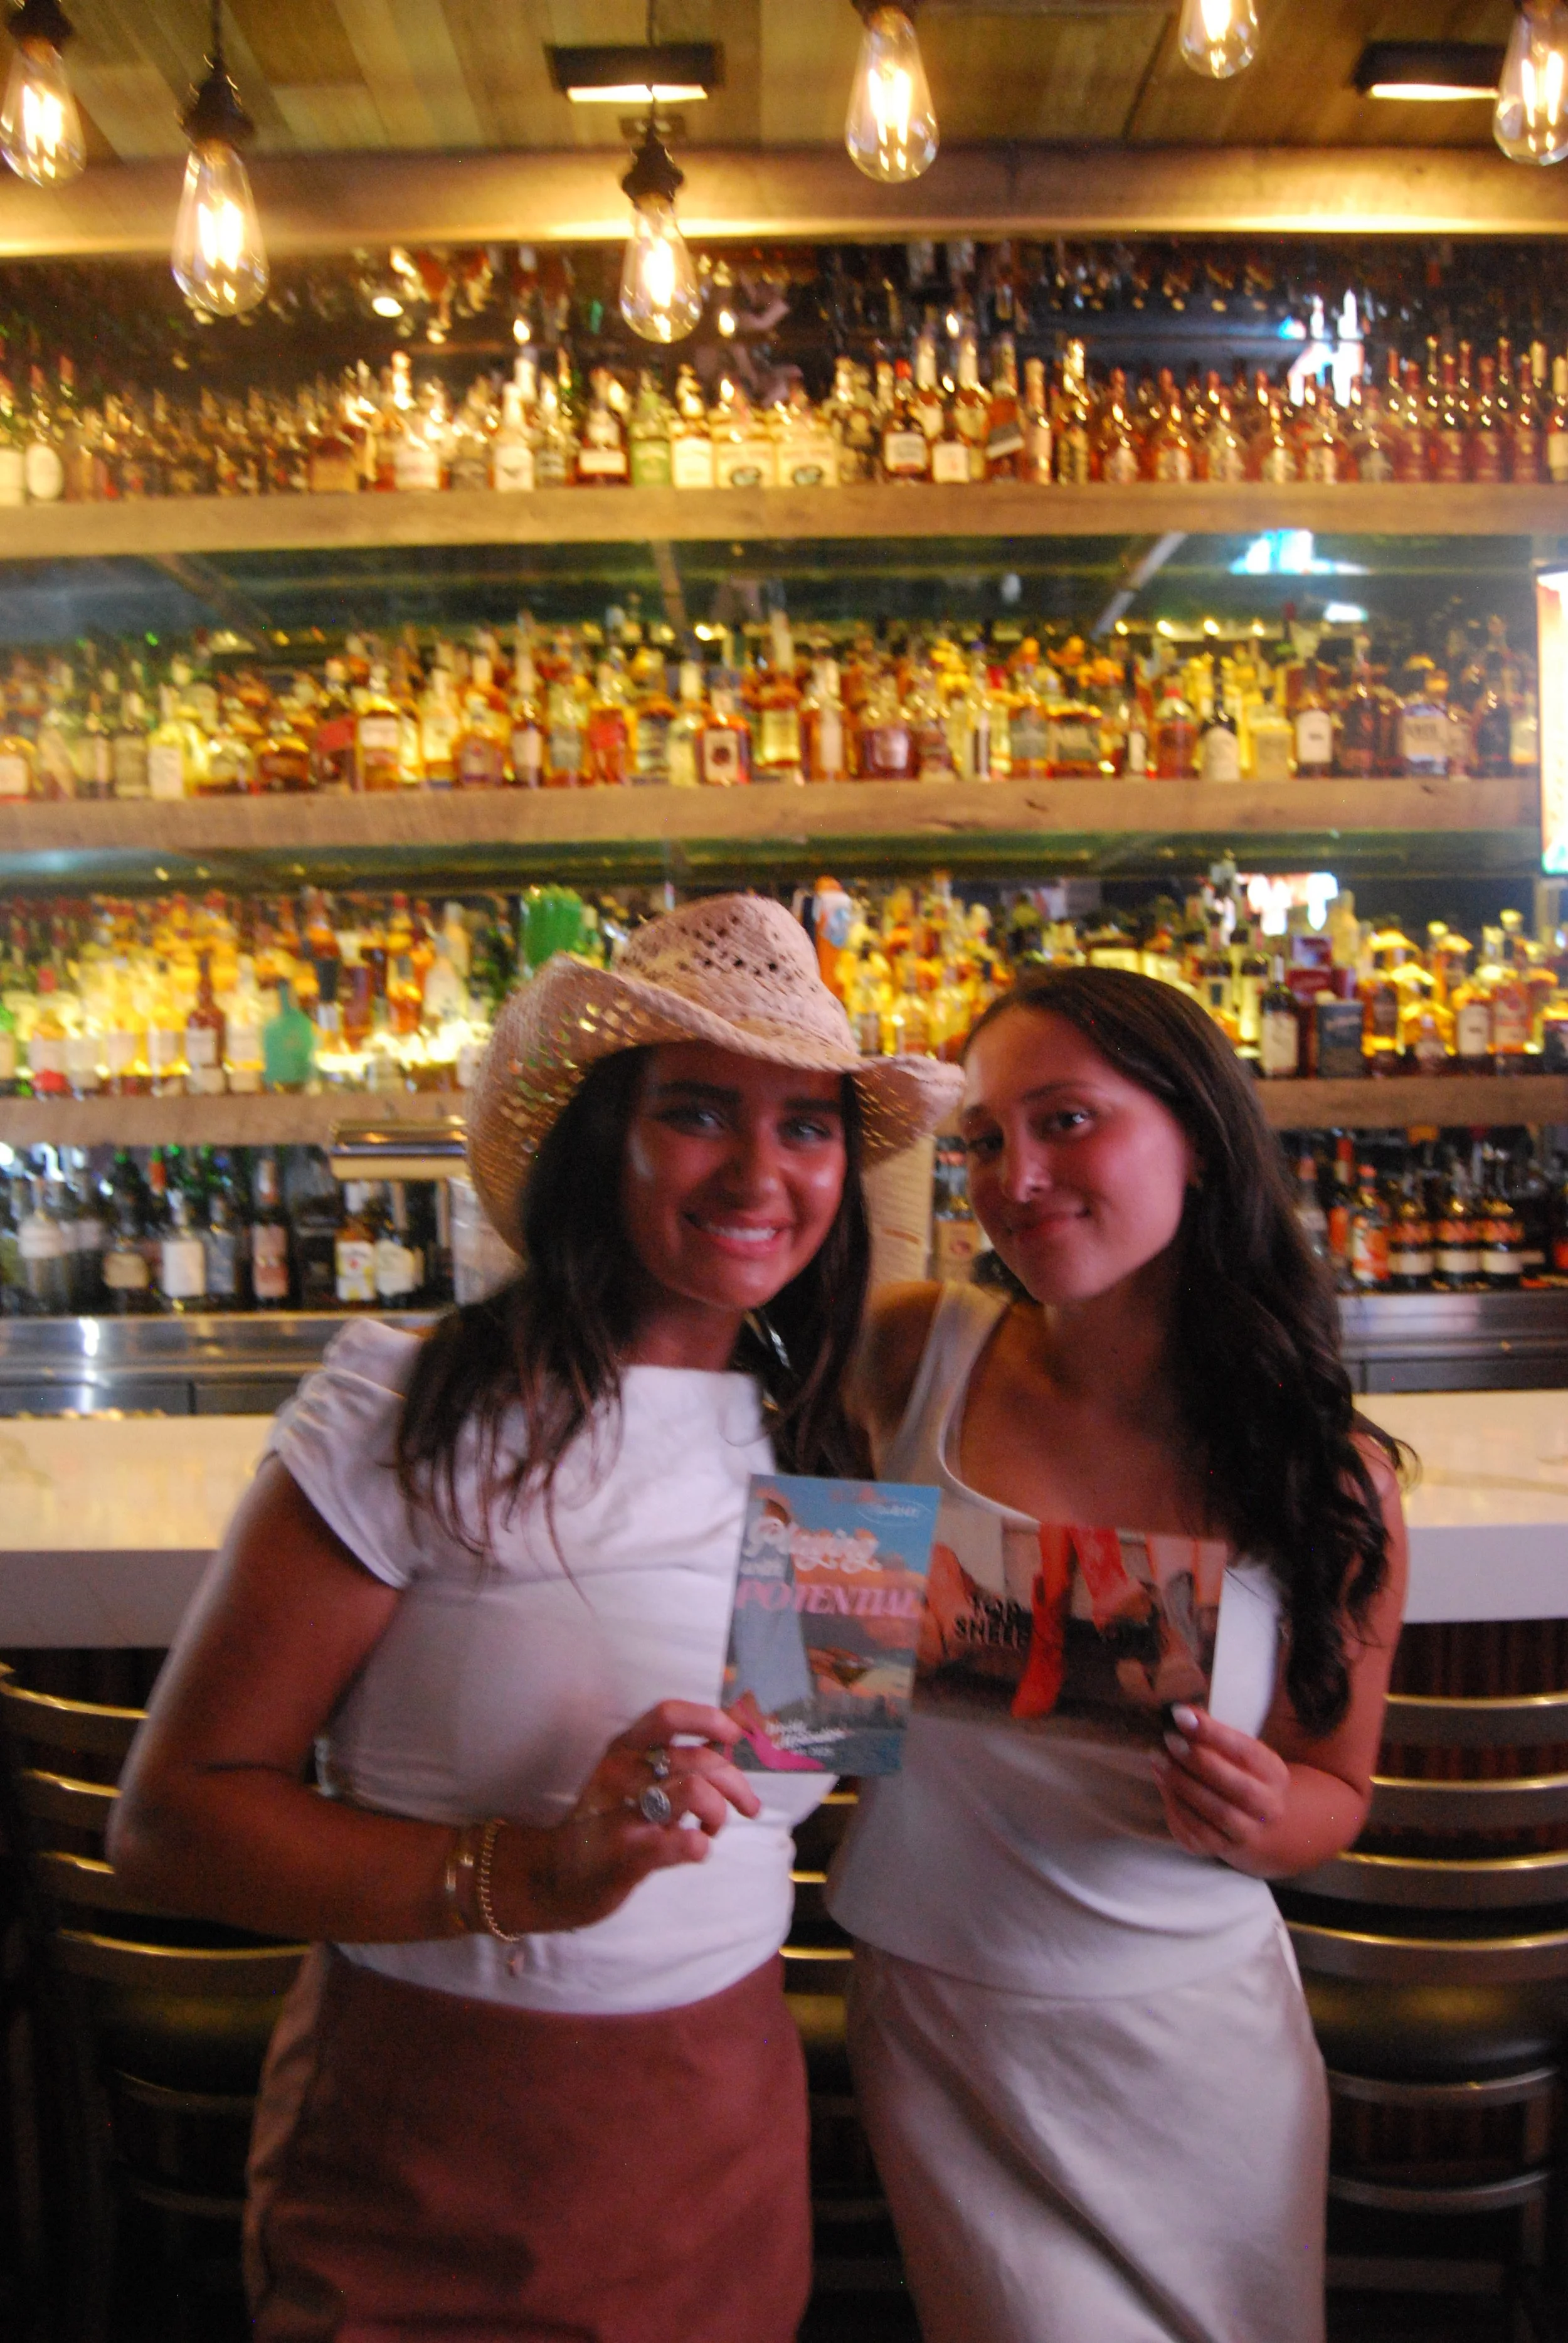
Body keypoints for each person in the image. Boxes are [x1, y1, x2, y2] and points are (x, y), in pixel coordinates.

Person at [109, 893, 960, 2343]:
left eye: (806, 1125)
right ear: (601, 1142)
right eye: (699, 1112)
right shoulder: (416, 1401)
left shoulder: (833, 1435)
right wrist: (524, 1875)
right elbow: (173, 1819)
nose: (761, 1170)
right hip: (437, 2133)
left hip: (722, 2125)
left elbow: (778, 1793)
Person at [829, 963, 1409, 2343]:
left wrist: (1270, 1818)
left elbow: (1334, 1785)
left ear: (1196, 1136)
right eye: (981, 1137)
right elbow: (806, 1694)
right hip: (942, 2018)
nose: (1014, 1173)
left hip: (1193, 2044)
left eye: (1067, 1121)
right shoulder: (912, 1355)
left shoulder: (1326, 1471)